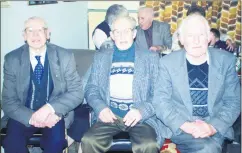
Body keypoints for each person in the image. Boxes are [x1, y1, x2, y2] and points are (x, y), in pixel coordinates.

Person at [153, 14, 241, 153]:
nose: (196, 41)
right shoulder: (167, 63)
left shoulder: (226, 61)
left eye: (201, 35)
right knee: (207, 149)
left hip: (215, 125)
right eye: (190, 35)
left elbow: (234, 101)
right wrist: (186, 125)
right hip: (182, 127)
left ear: (209, 37)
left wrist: (212, 126)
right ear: (181, 39)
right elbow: (160, 101)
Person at [81, 16, 164, 153]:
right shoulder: (101, 57)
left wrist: (141, 111)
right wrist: (100, 108)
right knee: (89, 141)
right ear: (112, 35)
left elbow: (159, 93)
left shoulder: (151, 58)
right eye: (117, 32)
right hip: (110, 116)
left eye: (126, 31)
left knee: (148, 144)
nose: (122, 36)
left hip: (141, 119)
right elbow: (91, 88)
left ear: (134, 33)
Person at [1, 16, 83, 153]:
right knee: (12, 143)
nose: (35, 35)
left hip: (54, 114)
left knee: (56, 143)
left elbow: (77, 92)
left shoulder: (64, 56)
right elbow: (8, 100)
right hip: (23, 113)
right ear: (24, 35)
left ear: (48, 33)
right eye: (30, 30)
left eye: (40, 30)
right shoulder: (12, 59)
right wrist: (32, 117)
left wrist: (49, 109)